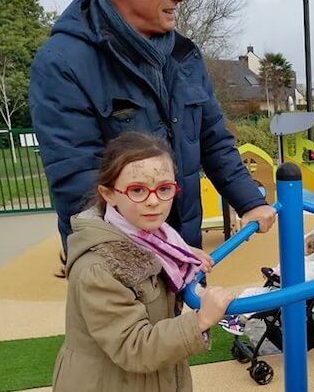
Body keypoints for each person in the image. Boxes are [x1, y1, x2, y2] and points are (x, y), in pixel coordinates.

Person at [29, 0, 276, 258]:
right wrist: (165, 252)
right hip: (119, 268)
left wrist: (249, 200)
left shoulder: (184, 55)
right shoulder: (63, 63)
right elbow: (79, 183)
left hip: (183, 254)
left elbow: (213, 139)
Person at [53, 132, 235, 391]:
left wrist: (180, 254)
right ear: (109, 194)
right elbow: (134, 346)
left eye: (164, 189)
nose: (153, 201)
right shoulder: (99, 268)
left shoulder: (159, 243)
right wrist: (200, 320)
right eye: (137, 190)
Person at [219, 229, 314, 335]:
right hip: (277, 288)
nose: (305, 247)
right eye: (306, 242)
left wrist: (280, 276)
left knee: (259, 301)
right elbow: (282, 268)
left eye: (310, 247)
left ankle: (241, 322)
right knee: (250, 291)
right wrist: (274, 272)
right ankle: (235, 315)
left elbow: (305, 281)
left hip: (288, 296)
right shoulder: (298, 258)